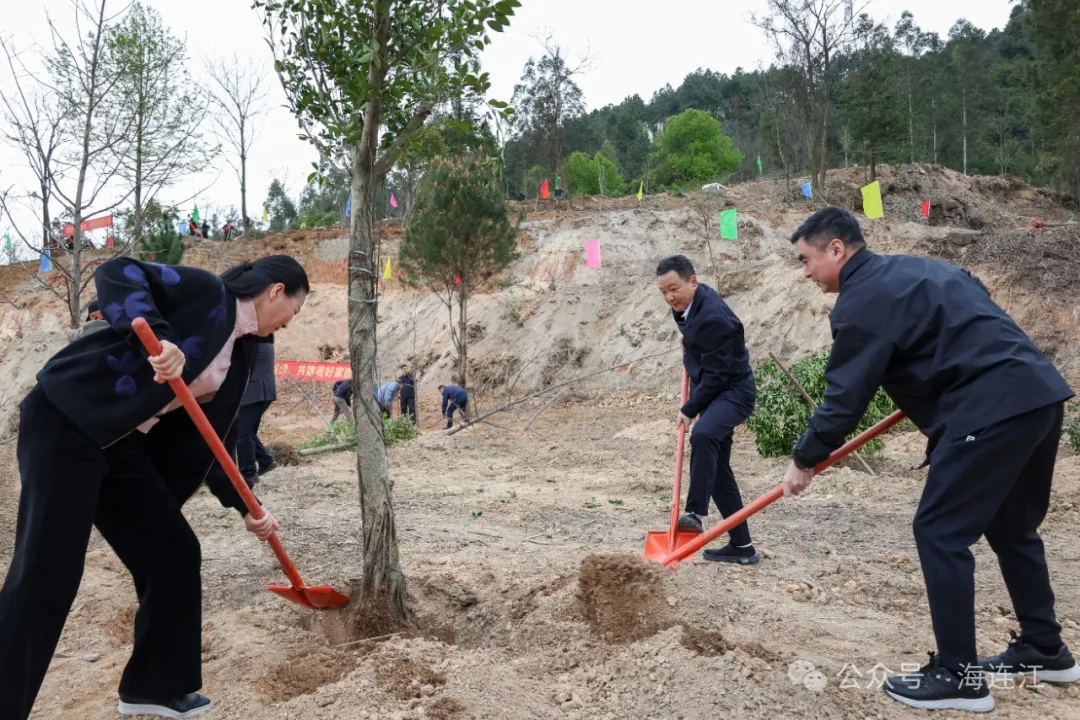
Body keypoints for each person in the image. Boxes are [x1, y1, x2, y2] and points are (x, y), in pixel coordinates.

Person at [782, 207, 1078, 713]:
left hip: (987, 410)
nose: (804, 272)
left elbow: (844, 396)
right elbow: (973, 306)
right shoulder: (923, 269)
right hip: (1037, 397)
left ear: (836, 249)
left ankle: (959, 676)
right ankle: (1044, 649)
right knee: (1012, 529)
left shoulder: (860, 302)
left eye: (806, 260)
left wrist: (805, 458)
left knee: (940, 532)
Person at [0, 254, 309, 720]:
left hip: (121, 445)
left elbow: (214, 435)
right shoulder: (209, 294)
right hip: (69, 421)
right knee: (48, 572)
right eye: (296, 311)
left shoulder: (243, 351)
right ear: (276, 292)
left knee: (173, 553)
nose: (291, 322)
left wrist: (246, 504)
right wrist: (162, 338)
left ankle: (155, 686)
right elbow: (118, 271)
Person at [656, 254, 759, 564]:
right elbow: (698, 342)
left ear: (693, 281)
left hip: (733, 391)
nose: (669, 297)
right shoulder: (690, 305)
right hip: (715, 388)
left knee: (702, 436)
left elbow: (717, 375)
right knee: (717, 472)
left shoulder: (712, 316)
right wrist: (689, 344)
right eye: (663, 292)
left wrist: (689, 408)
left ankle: (695, 512)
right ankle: (742, 547)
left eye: (674, 289)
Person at [236, 333, 278, 488]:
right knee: (249, 432)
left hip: (253, 392)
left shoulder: (251, 339)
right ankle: (266, 460)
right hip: (264, 390)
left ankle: (248, 473)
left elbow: (242, 367)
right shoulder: (265, 338)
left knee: (242, 434)